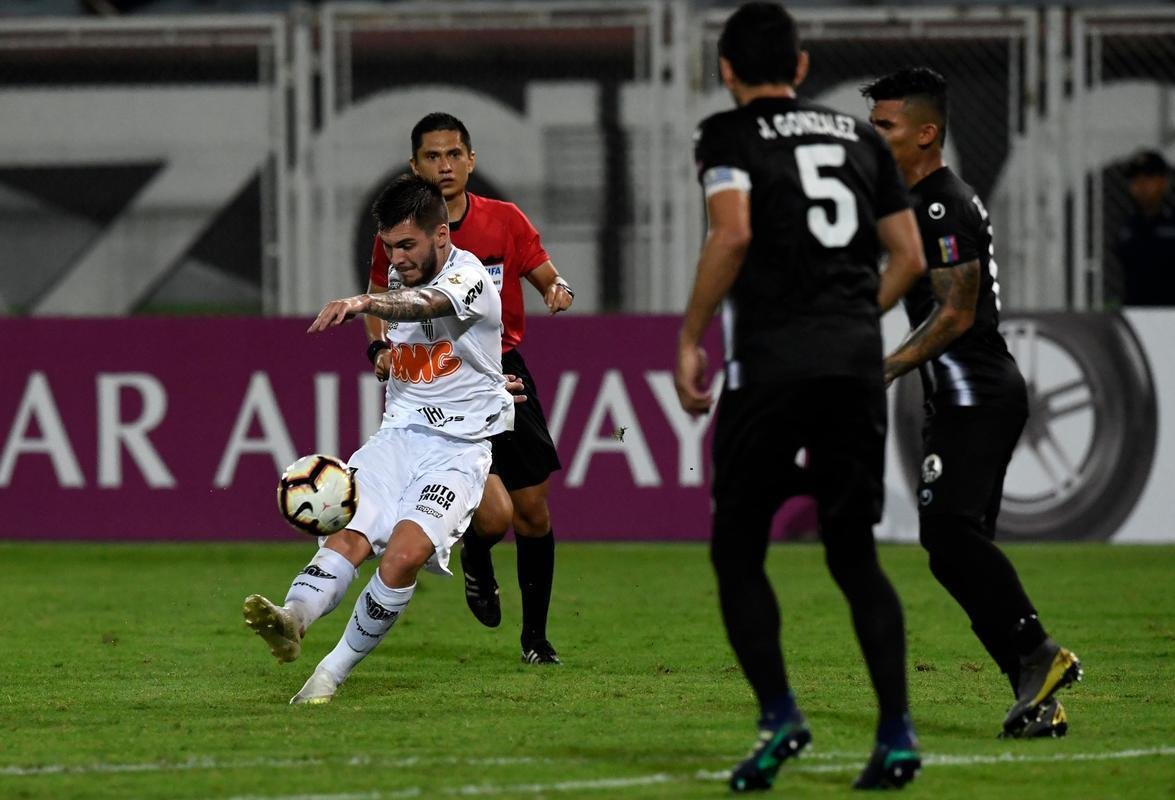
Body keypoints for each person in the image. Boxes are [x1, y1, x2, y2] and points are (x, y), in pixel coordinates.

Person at [674, 3, 928, 791]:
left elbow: (732, 233)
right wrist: (849, 322)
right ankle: (895, 734)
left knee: (737, 550)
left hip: (771, 367)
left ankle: (780, 715)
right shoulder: (860, 136)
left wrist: (690, 335)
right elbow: (908, 256)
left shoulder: (726, 134)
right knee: (853, 556)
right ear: (802, 65)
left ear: (725, 69)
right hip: (852, 368)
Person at [861, 66, 1082, 738]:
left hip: (976, 393)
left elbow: (957, 312)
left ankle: (1038, 651)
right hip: (964, 395)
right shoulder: (914, 204)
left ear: (925, 133)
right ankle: (1035, 696)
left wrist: (886, 368)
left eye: (885, 126)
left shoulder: (941, 205)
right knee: (954, 545)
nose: (873, 138)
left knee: (948, 534)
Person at [242, 173, 514, 704]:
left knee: (403, 556)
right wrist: (388, 355)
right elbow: (428, 342)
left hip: (456, 452)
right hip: (396, 438)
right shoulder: (398, 273)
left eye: (407, 245)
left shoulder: (471, 277)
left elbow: (428, 305)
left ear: (441, 234)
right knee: (347, 535)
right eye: (389, 246)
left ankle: (329, 674)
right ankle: (292, 618)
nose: (397, 258)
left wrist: (364, 304)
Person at [365, 113, 571, 665]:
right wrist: (378, 349)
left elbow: (546, 273)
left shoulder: (504, 221)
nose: (445, 165)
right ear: (414, 165)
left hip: (501, 370)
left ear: (471, 160)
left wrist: (558, 288)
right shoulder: (400, 234)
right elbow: (377, 297)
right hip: (439, 379)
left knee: (533, 511)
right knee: (495, 514)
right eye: (432, 156)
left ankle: (535, 639)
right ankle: (477, 553)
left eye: (454, 154)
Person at [1115, 148, 1175, 306]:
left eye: (1148, 178)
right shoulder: (1125, 225)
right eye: (1135, 180)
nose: (1141, 186)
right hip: (1135, 311)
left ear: (1163, 182)